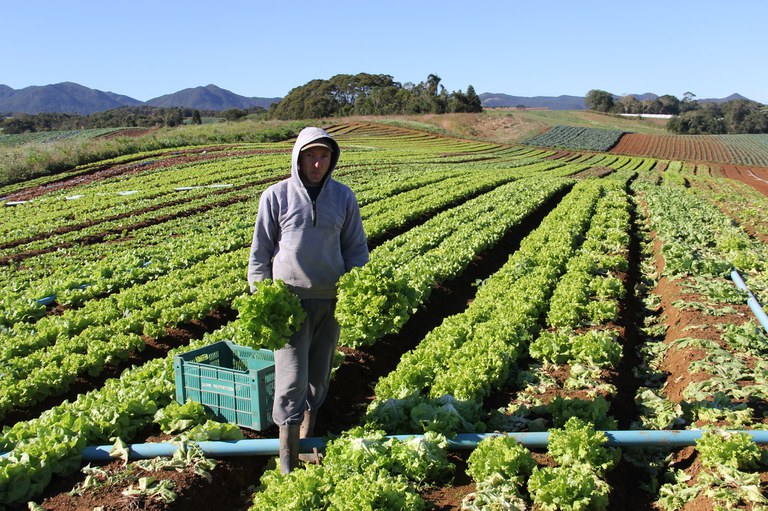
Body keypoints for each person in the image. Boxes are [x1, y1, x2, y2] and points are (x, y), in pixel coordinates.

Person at [247, 126, 369, 474]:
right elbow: (260, 252)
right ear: (298, 158)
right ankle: (286, 459)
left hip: (330, 301)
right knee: (291, 378)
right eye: (310, 156)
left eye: (323, 156)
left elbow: (356, 248)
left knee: (318, 375)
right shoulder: (276, 196)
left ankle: (307, 438)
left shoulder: (343, 197)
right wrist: (261, 293)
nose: (316, 163)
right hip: (289, 303)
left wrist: (357, 287)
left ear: (332, 160)